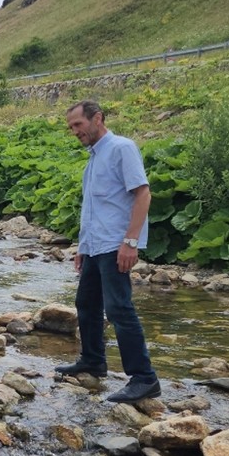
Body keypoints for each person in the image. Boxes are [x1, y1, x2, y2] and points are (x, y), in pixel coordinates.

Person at [58, 100, 161, 403]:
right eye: (71, 127)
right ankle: (93, 361)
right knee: (86, 304)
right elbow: (94, 210)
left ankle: (144, 378)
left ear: (97, 118)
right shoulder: (93, 159)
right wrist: (82, 248)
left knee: (118, 308)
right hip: (95, 246)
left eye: (78, 125)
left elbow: (143, 194)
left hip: (116, 245)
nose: (75, 132)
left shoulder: (121, 148)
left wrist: (131, 242)